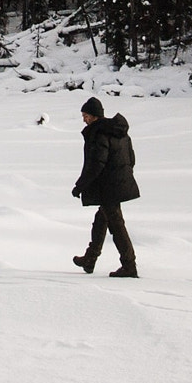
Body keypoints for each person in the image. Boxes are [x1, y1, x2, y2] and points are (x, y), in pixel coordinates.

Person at [71, 97, 138, 277]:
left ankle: (129, 265)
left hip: (108, 186)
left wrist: (80, 186)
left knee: (116, 226)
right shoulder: (118, 131)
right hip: (117, 182)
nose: (84, 119)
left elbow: (96, 164)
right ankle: (90, 258)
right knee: (102, 220)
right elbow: (131, 159)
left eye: (85, 115)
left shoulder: (99, 133)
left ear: (94, 116)